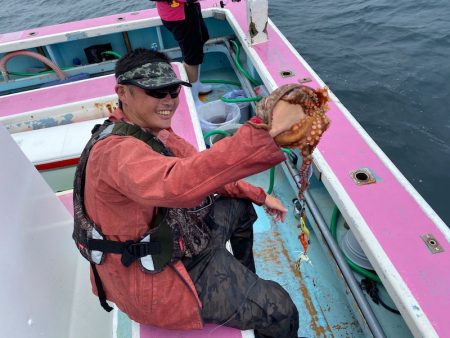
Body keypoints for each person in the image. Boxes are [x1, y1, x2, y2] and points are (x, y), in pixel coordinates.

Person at [74, 48, 302, 337]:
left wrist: (257, 194)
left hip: (175, 242)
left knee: (240, 207)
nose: (168, 101)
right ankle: (245, 297)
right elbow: (176, 183)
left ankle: (243, 283)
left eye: (173, 91)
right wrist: (263, 132)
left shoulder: (152, 131)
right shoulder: (115, 152)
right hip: (154, 280)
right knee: (280, 308)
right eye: (156, 92)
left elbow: (201, 167)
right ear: (123, 92)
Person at [154, 0, 212, 106]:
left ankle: (196, 84)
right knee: (192, 55)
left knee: (201, 39)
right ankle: (193, 98)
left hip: (189, 8)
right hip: (179, 15)